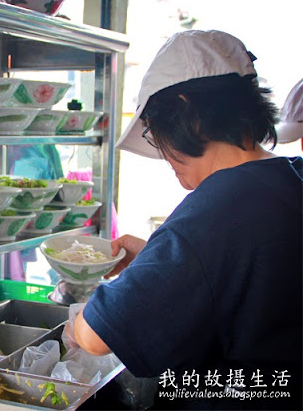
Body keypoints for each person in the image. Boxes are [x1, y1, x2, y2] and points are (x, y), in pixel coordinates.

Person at [69, 30, 302, 409]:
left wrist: (78, 319)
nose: (161, 153)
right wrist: (152, 258)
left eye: (153, 133)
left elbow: (97, 336)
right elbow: (246, 275)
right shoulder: (292, 176)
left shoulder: (216, 207)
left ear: (184, 111)